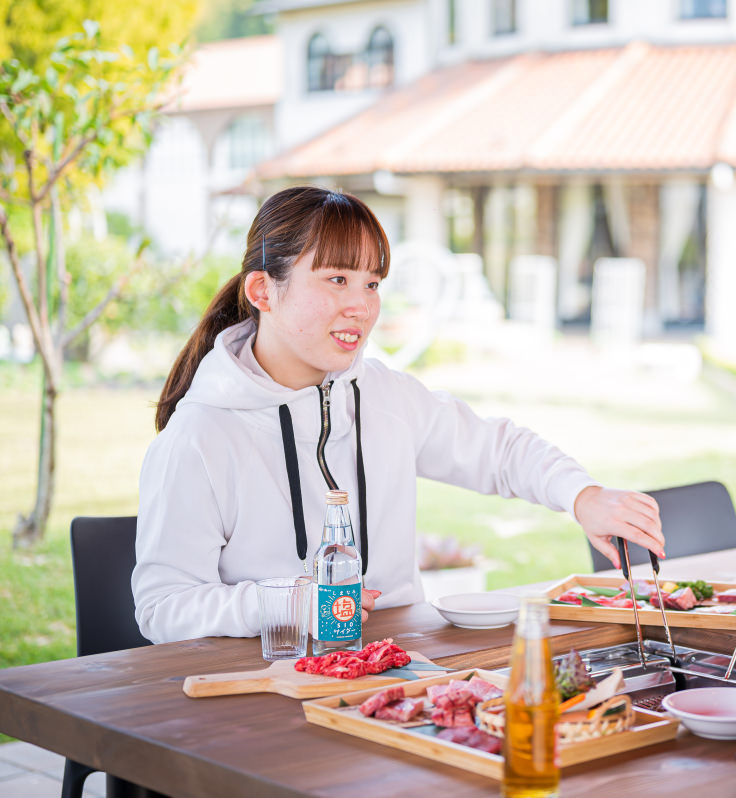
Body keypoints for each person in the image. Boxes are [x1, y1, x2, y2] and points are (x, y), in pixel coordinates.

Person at [133, 186, 664, 644]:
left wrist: (582, 496)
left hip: (402, 675)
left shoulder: (383, 395)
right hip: (267, 693)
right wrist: (291, 604)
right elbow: (163, 608)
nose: (361, 307)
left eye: (372, 284)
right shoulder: (200, 437)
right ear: (262, 290)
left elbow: (497, 450)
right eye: (337, 279)